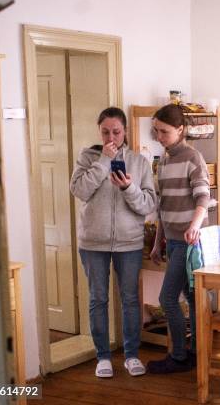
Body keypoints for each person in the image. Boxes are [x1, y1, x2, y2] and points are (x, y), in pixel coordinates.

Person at [69, 107, 156, 378]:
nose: (111, 137)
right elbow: (79, 190)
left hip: (129, 243)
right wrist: (102, 162)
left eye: (116, 132)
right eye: (105, 131)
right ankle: (102, 357)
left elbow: (148, 204)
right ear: (99, 131)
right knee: (98, 299)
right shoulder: (88, 157)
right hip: (93, 242)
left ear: (125, 131)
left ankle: (131, 355)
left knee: (130, 299)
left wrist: (128, 187)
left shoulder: (140, 162)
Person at [147, 104, 210, 373]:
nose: (159, 136)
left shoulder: (192, 157)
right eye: (156, 131)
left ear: (181, 130)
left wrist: (194, 227)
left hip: (189, 242)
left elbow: (204, 197)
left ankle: (180, 357)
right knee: (190, 297)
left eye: (164, 131)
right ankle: (196, 353)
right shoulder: (165, 159)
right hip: (171, 241)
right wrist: (156, 242)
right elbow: (162, 205)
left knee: (167, 299)